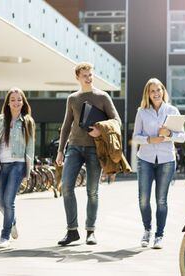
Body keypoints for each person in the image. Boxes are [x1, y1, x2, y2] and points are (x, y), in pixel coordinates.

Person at [56, 62, 121, 246]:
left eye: (90, 74)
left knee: (92, 191)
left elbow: (117, 121)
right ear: (77, 77)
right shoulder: (72, 99)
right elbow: (66, 125)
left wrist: (100, 130)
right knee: (67, 187)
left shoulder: (102, 96)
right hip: (74, 147)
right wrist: (61, 150)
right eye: (85, 75)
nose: (88, 78)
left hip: (95, 149)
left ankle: (90, 231)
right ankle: (72, 231)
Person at [132, 78, 185, 249]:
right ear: (147, 94)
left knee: (161, 200)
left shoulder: (172, 110)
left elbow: (182, 137)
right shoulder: (142, 112)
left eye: (158, 90)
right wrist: (149, 139)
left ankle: (159, 235)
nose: (156, 93)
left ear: (163, 91)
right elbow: (135, 137)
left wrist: (169, 133)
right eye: (152, 91)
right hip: (145, 159)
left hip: (166, 160)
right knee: (143, 199)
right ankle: (147, 231)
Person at [0, 87, 35, 249]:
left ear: (23, 102)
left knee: (8, 201)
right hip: (1, 164)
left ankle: (4, 236)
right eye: (12, 99)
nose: (16, 102)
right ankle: (12, 222)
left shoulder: (27, 121)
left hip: (18, 164)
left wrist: (28, 169)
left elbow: (31, 146)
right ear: (7, 102)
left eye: (19, 99)